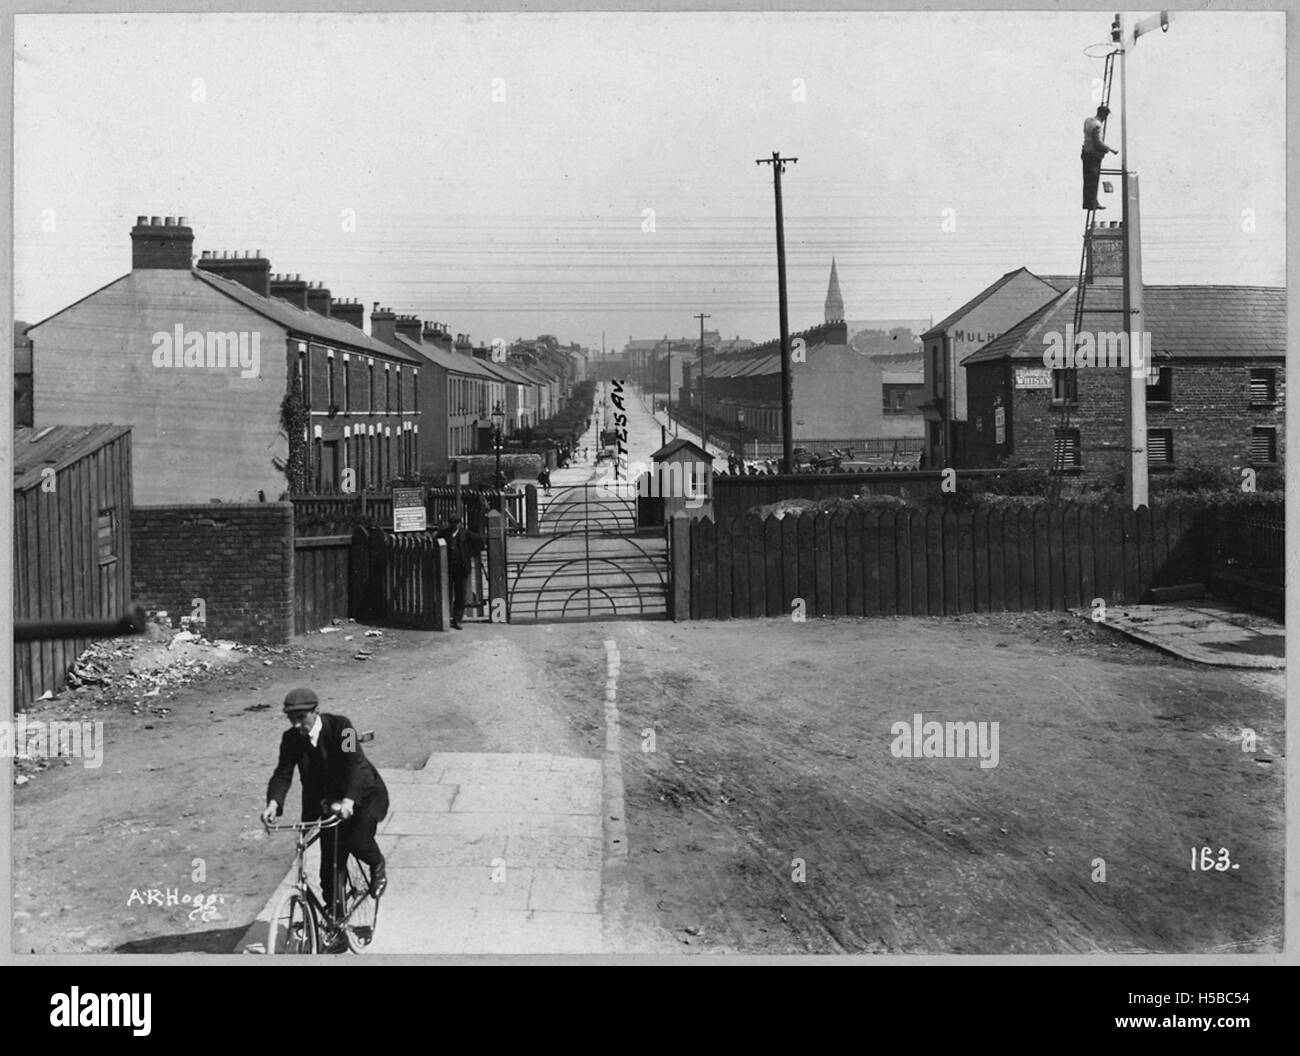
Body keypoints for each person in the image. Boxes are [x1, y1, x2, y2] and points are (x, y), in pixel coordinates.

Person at [262, 689, 389, 930]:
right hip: (329, 803)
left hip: (364, 794)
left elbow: (357, 764)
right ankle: (336, 925)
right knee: (329, 871)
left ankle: (377, 864)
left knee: (358, 840)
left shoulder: (344, 727)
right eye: (292, 719)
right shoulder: (290, 739)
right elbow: (282, 773)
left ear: (315, 711)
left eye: (302, 718)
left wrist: (349, 800)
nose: (298, 724)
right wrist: (273, 803)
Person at [440, 511, 485, 630]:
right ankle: (445, 617)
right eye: (451, 522)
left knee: (460, 594)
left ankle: (457, 619)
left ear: (459, 523)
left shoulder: (465, 533)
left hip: (462, 568)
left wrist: (471, 553)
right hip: (447, 568)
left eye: (455, 522)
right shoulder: (443, 533)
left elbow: (480, 541)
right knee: (446, 594)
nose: (453, 525)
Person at [1082, 104, 1118, 210]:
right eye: (1105, 116)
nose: (1105, 119)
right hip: (1093, 155)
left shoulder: (1088, 121)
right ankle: (1092, 203)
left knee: (1088, 181)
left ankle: (1088, 202)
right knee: (1093, 181)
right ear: (1102, 114)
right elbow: (1097, 143)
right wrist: (1110, 149)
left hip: (1086, 153)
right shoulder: (1097, 125)